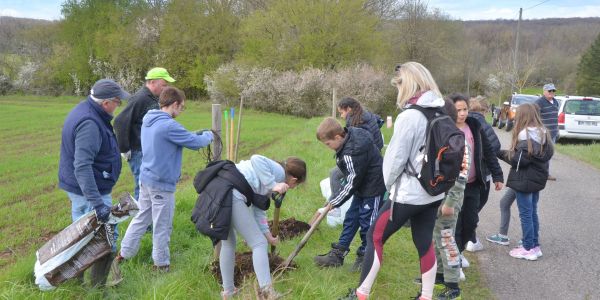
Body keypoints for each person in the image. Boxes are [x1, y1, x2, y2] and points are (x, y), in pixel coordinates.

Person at [342, 62, 447, 300]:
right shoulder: (441, 111)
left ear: (407, 84)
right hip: (434, 192)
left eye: (398, 84)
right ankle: (426, 296)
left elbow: (394, 160)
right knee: (424, 242)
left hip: (408, 192)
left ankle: (361, 293)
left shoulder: (410, 116)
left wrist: (388, 186)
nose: (397, 89)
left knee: (374, 236)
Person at [116, 87, 213, 272]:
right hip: (161, 184)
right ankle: (161, 265)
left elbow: (181, 136)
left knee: (141, 218)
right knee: (162, 225)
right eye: (181, 107)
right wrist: (209, 135)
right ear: (174, 104)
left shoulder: (149, 119)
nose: (181, 112)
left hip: (146, 178)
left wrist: (195, 132)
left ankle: (124, 254)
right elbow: (194, 143)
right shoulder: (169, 125)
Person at [58, 78, 129, 287]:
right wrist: (98, 204)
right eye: (118, 102)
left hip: (84, 188)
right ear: (106, 102)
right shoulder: (90, 123)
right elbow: (82, 166)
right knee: (102, 238)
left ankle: (78, 280)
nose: (118, 106)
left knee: (83, 237)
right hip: (90, 191)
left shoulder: (88, 111)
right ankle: (98, 288)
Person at [218, 155, 307, 299]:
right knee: (259, 243)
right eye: (295, 186)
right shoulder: (278, 172)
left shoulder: (266, 178)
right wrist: (273, 184)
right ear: (293, 180)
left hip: (219, 191)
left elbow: (259, 210)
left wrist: (269, 236)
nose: (292, 188)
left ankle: (228, 291)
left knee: (229, 243)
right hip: (231, 193)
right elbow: (256, 158)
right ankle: (267, 292)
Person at [314, 117, 386, 271]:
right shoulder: (352, 134)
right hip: (362, 185)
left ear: (338, 137)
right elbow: (353, 179)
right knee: (351, 218)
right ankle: (338, 254)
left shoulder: (352, 152)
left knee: (368, 223)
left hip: (374, 188)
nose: (328, 147)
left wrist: (335, 201)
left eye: (328, 144)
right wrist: (334, 199)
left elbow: (351, 181)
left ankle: (366, 257)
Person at [450, 94, 503, 268]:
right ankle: (455, 258)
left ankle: (459, 251)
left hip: (473, 184)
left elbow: (488, 151)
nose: (463, 113)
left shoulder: (474, 126)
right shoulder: (445, 128)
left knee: (470, 222)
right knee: (455, 223)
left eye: (465, 109)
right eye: (458, 110)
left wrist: (497, 176)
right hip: (453, 186)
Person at [498, 103, 553, 261]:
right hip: (537, 181)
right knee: (532, 212)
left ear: (522, 117)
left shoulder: (525, 137)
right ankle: (535, 245)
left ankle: (528, 248)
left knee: (525, 215)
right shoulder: (543, 135)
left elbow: (519, 161)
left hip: (524, 182)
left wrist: (500, 153)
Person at [114, 67, 175, 200]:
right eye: (164, 85)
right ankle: (141, 218)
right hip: (138, 151)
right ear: (152, 82)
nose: (166, 88)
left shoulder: (152, 98)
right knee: (142, 186)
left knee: (147, 187)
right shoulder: (140, 98)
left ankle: (147, 217)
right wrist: (124, 148)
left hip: (147, 150)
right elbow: (120, 121)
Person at [464, 98, 502, 252]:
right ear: (485, 111)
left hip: (463, 174)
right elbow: (495, 146)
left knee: (467, 208)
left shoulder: (463, 123)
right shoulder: (483, 125)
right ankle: (470, 239)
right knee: (474, 207)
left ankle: (468, 238)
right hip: (481, 174)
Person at [534, 83, 559, 181]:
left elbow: (555, 117)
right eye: (549, 91)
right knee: (543, 153)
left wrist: (557, 130)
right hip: (543, 133)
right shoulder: (538, 102)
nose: (552, 93)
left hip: (553, 133)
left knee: (549, 153)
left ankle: (543, 172)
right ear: (544, 92)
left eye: (553, 91)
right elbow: (534, 117)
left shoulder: (556, 102)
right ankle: (544, 173)